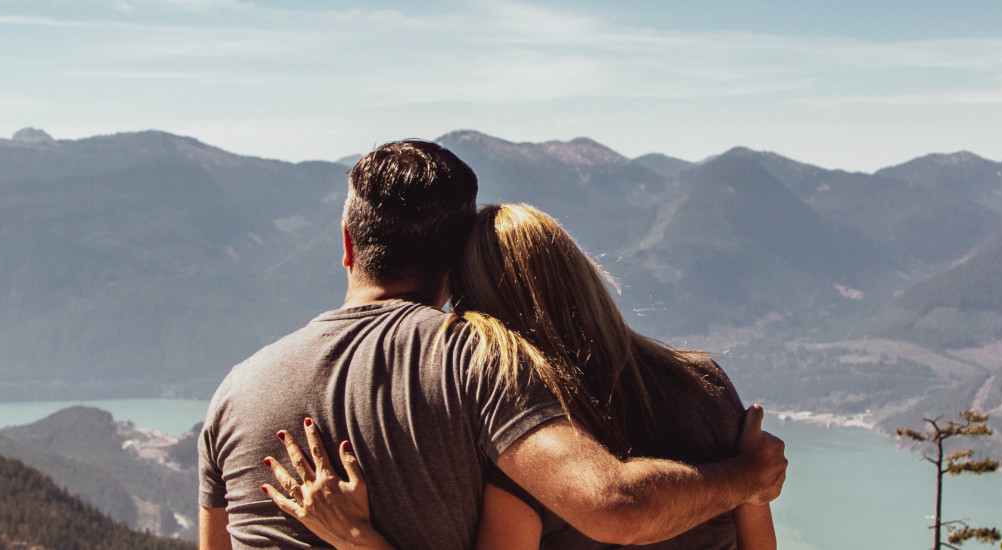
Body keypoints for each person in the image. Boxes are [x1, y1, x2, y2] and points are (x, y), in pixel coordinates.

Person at [199, 140, 787, 549]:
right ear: (453, 263)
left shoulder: (233, 393)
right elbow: (614, 505)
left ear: (348, 245)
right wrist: (747, 477)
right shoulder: (481, 366)